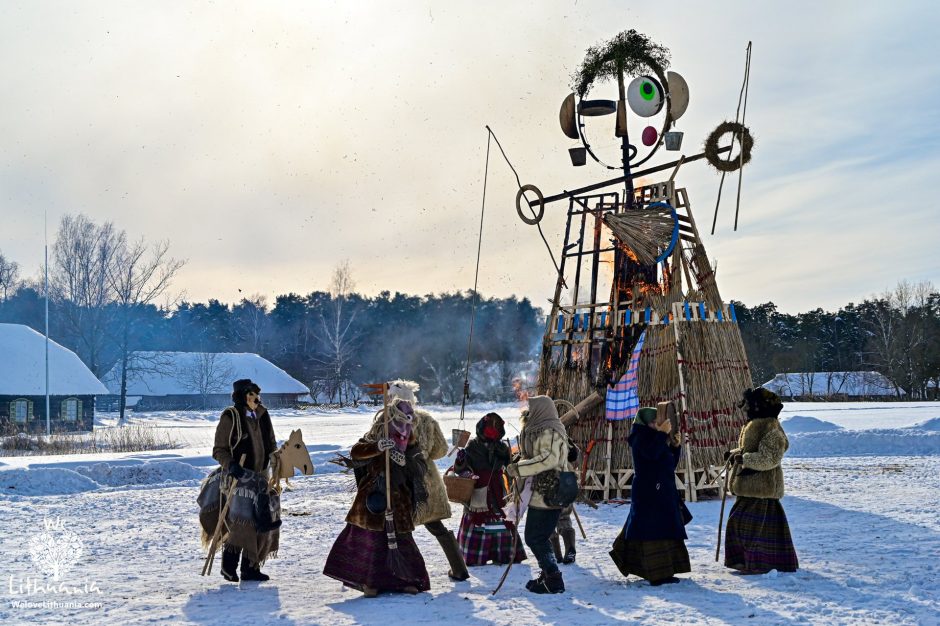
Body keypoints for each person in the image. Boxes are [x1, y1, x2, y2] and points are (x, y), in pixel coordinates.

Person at [322, 399, 431, 596]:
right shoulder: (377, 433)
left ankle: (405, 580)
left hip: (399, 498)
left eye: (407, 420)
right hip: (373, 498)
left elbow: (420, 464)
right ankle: (370, 582)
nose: (402, 426)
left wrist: (405, 461)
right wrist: (378, 447)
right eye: (398, 420)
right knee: (371, 541)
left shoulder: (409, 437)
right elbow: (356, 451)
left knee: (401, 540)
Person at [387, 380, 470, 582]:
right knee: (436, 526)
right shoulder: (426, 420)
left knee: (397, 529)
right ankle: (459, 568)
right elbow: (441, 450)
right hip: (426, 478)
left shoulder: (387, 419)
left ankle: (401, 574)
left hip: (399, 480)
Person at [609, 404, 691, 586]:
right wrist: (662, 435)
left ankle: (667, 571)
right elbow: (651, 454)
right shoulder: (640, 437)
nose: (657, 425)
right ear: (646, 423)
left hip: (663, 491)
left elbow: (669, 462)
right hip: (648, 492)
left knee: (665, 530)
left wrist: (675, 446)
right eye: (654, 422)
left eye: (658, 421)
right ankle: (656, 574)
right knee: (650, 531)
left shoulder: (656, 438)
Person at [724, 387, 799, 574]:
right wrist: (734, 455)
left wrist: (745, 460)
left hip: (763, 490)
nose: (747, 407)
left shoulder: (771, 427)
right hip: (747, 487)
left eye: (750, 404)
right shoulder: (754, 424)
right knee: (737, 525)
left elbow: (771, 457)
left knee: (752, 530)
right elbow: (749, 449)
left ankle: (759, 563)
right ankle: (743, 561)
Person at [212, 378, 278, 583]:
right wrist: (230, 465)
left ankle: (251, 568)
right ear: (242, 397)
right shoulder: (231, 417)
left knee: (261, 521)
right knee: (241, 523)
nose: (255, 398)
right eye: (250, 394)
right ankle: (228, 567)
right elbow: (218, 450)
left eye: (256, 394)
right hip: (239, 478)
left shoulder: (263, 415)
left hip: (261, 477)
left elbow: (272, 444)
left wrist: (276, 461)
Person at [506, 395, 570, 594]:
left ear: (542, 409)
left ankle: (553, 578)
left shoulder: (550, 432)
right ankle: (549, 574)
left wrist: (518, 469)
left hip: (548, 491)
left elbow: (547, 460)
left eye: (532, 408)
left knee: (535, 537)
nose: (528, 412)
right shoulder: (541, 429)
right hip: (540, 492)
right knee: (537, 536)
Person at [453, 412, 527, 566]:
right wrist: (460, 462)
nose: (492, 431)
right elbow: (461, 469)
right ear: (482, 428)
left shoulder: (502, 447)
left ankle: (503, 554)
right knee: (478, 518)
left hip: (498, 489)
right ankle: (476, 555)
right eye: (489, 428)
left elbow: (510, 467)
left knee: (501, 516)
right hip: (478, 490)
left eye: (496, 428)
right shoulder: (472, 447)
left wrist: (516, 462)